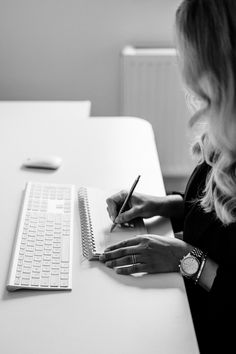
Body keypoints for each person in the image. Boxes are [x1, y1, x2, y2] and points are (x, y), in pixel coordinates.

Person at [99, 0, 236, 352]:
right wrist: (166, 204)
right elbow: (221, 214)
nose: (184, 64)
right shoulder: (226, 128)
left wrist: (185, 259)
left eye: (189, 52)